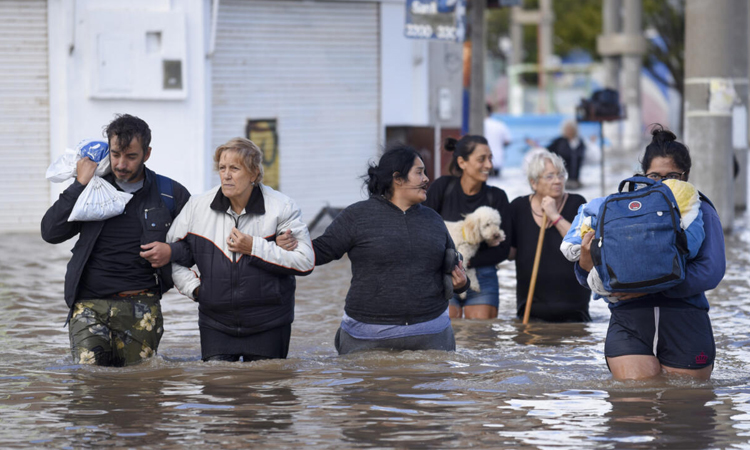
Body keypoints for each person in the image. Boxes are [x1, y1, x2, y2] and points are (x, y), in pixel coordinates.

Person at [282, 144, 469, 355]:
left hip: (432, 337)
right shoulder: (357, 216)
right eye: (419, 172)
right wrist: (289, 245)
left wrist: (462, 284)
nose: (426, 178)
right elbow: (318, 252)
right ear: (398, 178)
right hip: (366, 337)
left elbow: (452, 267)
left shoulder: (433, 219)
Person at [576, 126, 725, 381]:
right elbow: (590, 276)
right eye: (655, 176)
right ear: (643, 174)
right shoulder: (622, 209)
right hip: (630, 322)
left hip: (685, 322)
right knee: (634, 407)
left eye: (672, 176)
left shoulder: (702, 211)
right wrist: (584, 263)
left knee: (685, 410)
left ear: (685, 177)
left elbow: (711, 271)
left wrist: (647, 288)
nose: (663, 183)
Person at [41, 114, 191, 366]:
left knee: (139, 389)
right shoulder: (91, 189)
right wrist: (79, 184)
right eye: (115, 154)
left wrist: (172, 251)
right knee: (89, 384)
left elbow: (199, 247)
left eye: (131, 156)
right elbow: (50, 232)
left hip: (142, 304)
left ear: (147, 153)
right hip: (88, 304)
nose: (121, 164)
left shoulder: (170, 194)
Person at [166, 138, 314, 362]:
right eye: (222, 168)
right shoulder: (197, 206)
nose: (226, 175)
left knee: (268, 393)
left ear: (254, 174)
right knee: (219, 390)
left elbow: (305, 261)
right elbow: (171, 254)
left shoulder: (282, 206)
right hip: (215, 323)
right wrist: (196, 290)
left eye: (234, 168)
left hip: (270, 322)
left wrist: (254, 246)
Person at [424, 135, 510, 319]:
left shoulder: (498, 197)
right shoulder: (442, 187)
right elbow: (423, 232)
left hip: (484, 274)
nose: (488, 165)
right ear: (462, 162)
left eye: (490, 158)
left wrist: (467, 263)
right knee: (447, 334)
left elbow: (503, 249)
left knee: (480, 337)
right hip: (442, 274)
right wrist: (449, 266)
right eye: (481, 159)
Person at [506, 148, 591, 322]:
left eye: (561, 175)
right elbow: (509, 253)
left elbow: (582, 243)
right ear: (534, 182)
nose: (558, 181)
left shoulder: (577, 203)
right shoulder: (518, 207)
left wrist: (554, 216)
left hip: (574, 309)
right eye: (550, 176)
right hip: (531, 309)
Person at [547, 120, 586, 190]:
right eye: (567, 129)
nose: (569, 131)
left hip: (576, 178)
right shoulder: (559, 141)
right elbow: (547, 151)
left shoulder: (579, 142)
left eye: (571, 129)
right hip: (562, 178)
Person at [483, 104, 512, 177]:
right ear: (491, 112)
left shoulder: (478, 125)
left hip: (482, 163)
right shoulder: (500, 125)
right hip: (497, 162)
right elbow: (507, 141)